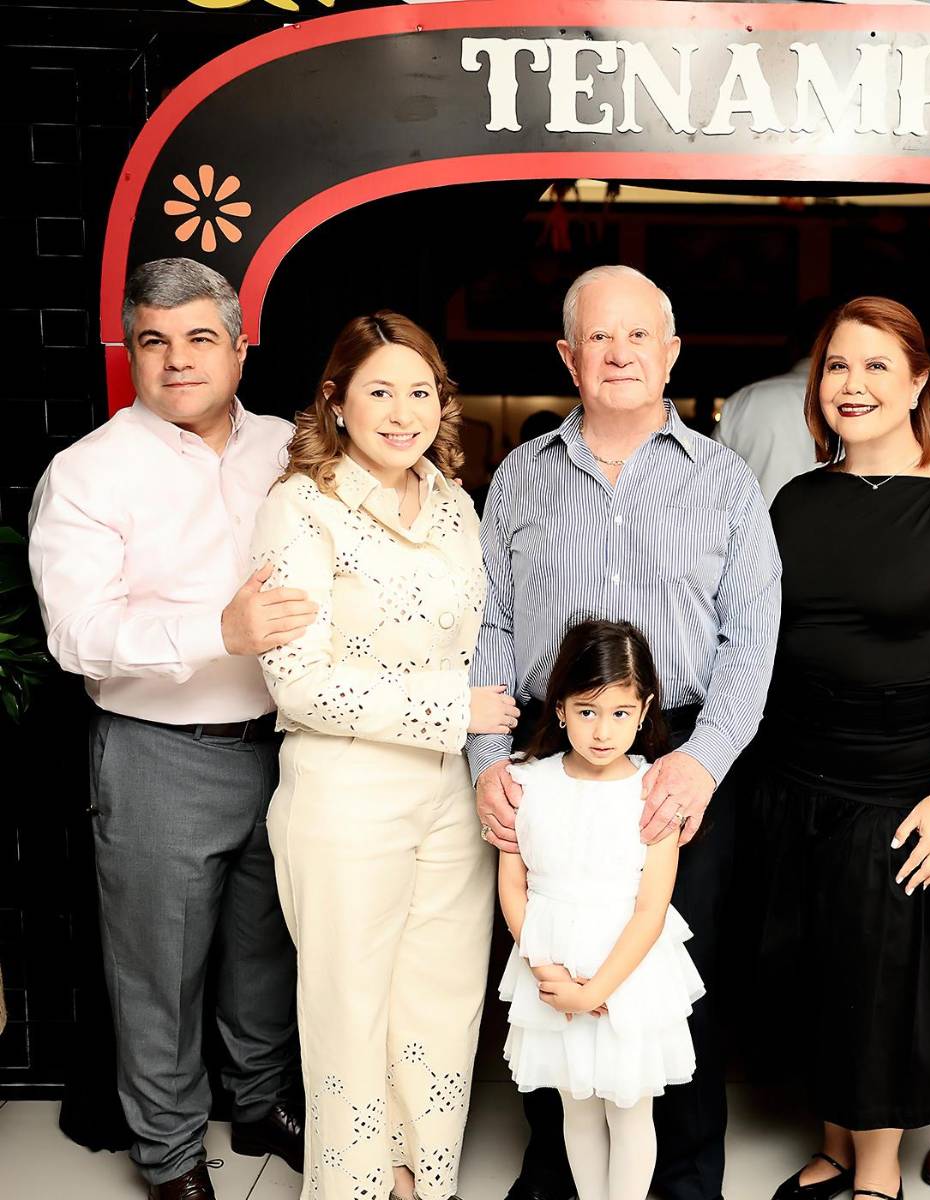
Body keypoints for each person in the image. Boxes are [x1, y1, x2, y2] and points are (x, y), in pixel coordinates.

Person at [469, 264, 781, 1200]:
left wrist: (704, 761)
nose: (619, 353)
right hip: (548, 751)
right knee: (554, 952)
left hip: (679, 747)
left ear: (671, 352)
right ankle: (559, 1176)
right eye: (598, 337)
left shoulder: (724, 480)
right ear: (568, 357)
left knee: (677, 975)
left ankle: (680, 1180)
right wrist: (488, 762)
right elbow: (488, 623)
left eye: (638, 335)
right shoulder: (520, 476)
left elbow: (752, 635)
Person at [28, 257, 308, 1200]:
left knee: (267, 950)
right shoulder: (89, 471)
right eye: (154, 341)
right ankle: (170, 1152)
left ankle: (260, 1102)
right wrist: (215, 632)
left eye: (198, 338)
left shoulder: (290, 448)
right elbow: (76, 635)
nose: (177, 360)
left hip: (288, 746)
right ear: (132, 352)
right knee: (160, 972)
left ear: (239, 347)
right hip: (159, 755)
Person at [741, 297, 930, 1200]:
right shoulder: (795, 500)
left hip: (898, 783)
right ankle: (832, 1143)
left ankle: (876, 1173)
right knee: (815, 969)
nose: (850, 385)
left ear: (917, 384)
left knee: (878, 980)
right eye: (835, 366)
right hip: (792, 775)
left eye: (873, 367)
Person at [250, 312, 520, 1200]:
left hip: (449, 796)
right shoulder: (300, 506)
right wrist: (454, 709)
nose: (402, 413)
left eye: (420, 392)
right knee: (349, 1015)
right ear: (336, 401)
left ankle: (419, 1184)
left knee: (441, 1006)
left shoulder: (454, 503)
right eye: (379, 391)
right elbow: (296, 683)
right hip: (344, 792)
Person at [498, 618, 704, 1200]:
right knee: (578, 1107)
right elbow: (512, 888)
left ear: (645, 710)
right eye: (587, 711)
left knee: (630, 1111)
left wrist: (597, 991)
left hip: (627, 970)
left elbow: (652, 907)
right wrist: (548, 973)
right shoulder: (526, 782)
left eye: (620, 712)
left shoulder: (655, 789)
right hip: (552, 963)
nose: (603, 730)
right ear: (560, 709)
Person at [713, 299, 828, 502]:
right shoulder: (858, 404)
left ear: (792, 344)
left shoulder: (744, 401)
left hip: (756, 521)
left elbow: (710, 483)